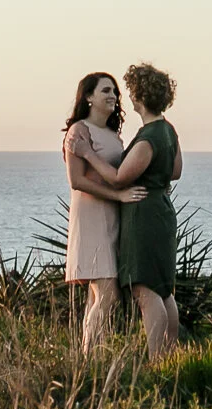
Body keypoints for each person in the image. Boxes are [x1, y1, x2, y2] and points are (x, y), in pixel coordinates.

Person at [73, 60, 181, 356]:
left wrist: (88, 154)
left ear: (140, 97)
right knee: (163, 289)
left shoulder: (148, 137)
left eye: (131, 91)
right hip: (162, 208)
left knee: (145, 290)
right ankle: (171, 356)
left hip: (143, 215)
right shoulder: (168, 131)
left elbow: (120, 178)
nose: (127, 96)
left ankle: (158, 358)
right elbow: (176, 171)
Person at [60, 71, 147, 353]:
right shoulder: (79, 131)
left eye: (115, 92)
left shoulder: (112, 135)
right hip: (91, 217)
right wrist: (118, 196)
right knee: (108, 295)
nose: (112, 96)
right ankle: (88, 357)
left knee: (97, 297)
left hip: (113, 217)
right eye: (105, 91)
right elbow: (77, 181)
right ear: (88, 97)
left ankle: (93, 357)